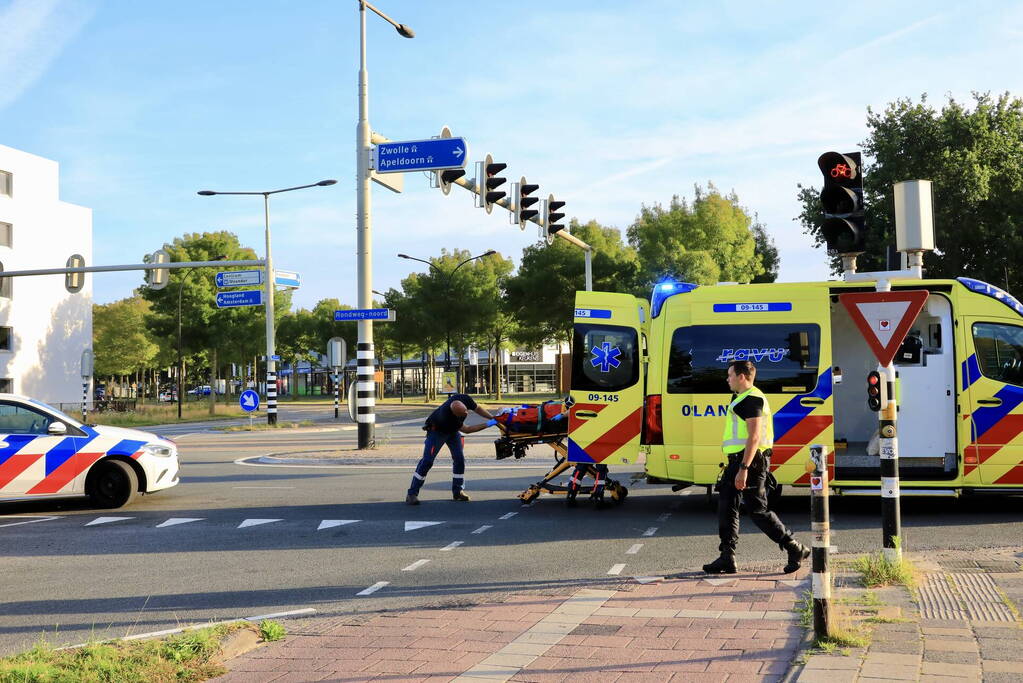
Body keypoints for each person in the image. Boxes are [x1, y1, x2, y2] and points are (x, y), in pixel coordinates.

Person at [703, 360, 810, 575]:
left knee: (757, 510)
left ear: (741, 377)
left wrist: (743, 468)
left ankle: (794, 547)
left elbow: (754, 437)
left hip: (750, 462)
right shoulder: (740, 397)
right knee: (726, 506)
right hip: (738, 460)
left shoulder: (752, 399)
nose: (727, 379)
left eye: (730, 375)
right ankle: (727, 556)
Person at [406, 393, 496, 505]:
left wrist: (492, 417)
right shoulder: (447, 417)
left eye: (465, 412)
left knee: (459, 459)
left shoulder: (464, 398)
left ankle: (458, 491)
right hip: (437, 432)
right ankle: (412, 494)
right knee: (427, 461)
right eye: (460, 415)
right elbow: (467, 429)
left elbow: (478, 408)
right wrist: (490, 423)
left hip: (453, 432)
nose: (465, 415)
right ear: (454, 413)